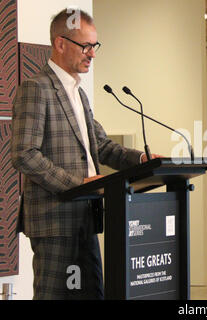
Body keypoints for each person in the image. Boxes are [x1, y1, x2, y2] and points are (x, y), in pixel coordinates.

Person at [11, 9, 153, 299]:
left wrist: (142, 160)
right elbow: (24, 153)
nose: (92, 54)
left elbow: (100, 145)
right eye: (85, 46)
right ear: (60, 44)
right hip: (55, 221)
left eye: (94, 46)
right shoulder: (36, 88)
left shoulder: (78, 92)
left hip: (86, 215)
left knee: (92, 294)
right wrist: (77, 184)